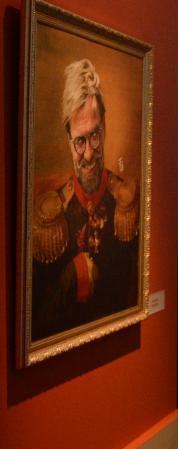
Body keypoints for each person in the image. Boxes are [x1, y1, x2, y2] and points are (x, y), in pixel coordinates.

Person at [31, 59, 140, 340]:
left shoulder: (126, 203)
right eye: (80, 141)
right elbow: (35, 325)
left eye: (95, 136)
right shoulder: (49, 217)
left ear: (104, 126)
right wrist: (72, 277)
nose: (89, 153)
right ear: (68, 138)